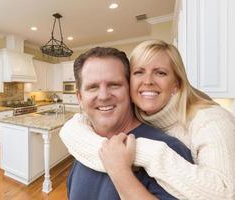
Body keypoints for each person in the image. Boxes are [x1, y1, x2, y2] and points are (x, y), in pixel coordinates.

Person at [60, 40, 235, 200]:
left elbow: (226, 193)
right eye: (92, 87)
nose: (104, 95)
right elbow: (71, 129)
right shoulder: (85, 143)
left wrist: (133, 160)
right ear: (79, 97)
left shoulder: (200, 129)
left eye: (114, 84)